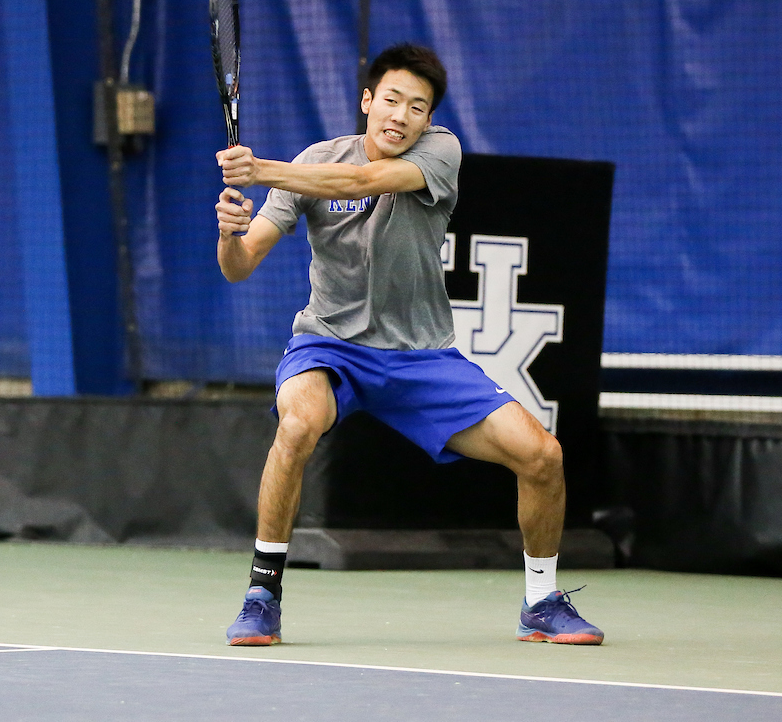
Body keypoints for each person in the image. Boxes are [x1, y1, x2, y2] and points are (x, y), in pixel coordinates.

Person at [214, 42, 603, 647]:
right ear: (367, 101)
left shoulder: (439, 152)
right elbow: (241, 266)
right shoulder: (315, 160)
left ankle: (542, 601)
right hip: (330, 348)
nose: (401, 116)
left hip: (423, 358)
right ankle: (262, 594)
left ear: (428, 118)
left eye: (416, 107)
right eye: (391, 100)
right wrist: (229, 233)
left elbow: (363, 179)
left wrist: (258, 169)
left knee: (543, 456)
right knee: (296, 425)